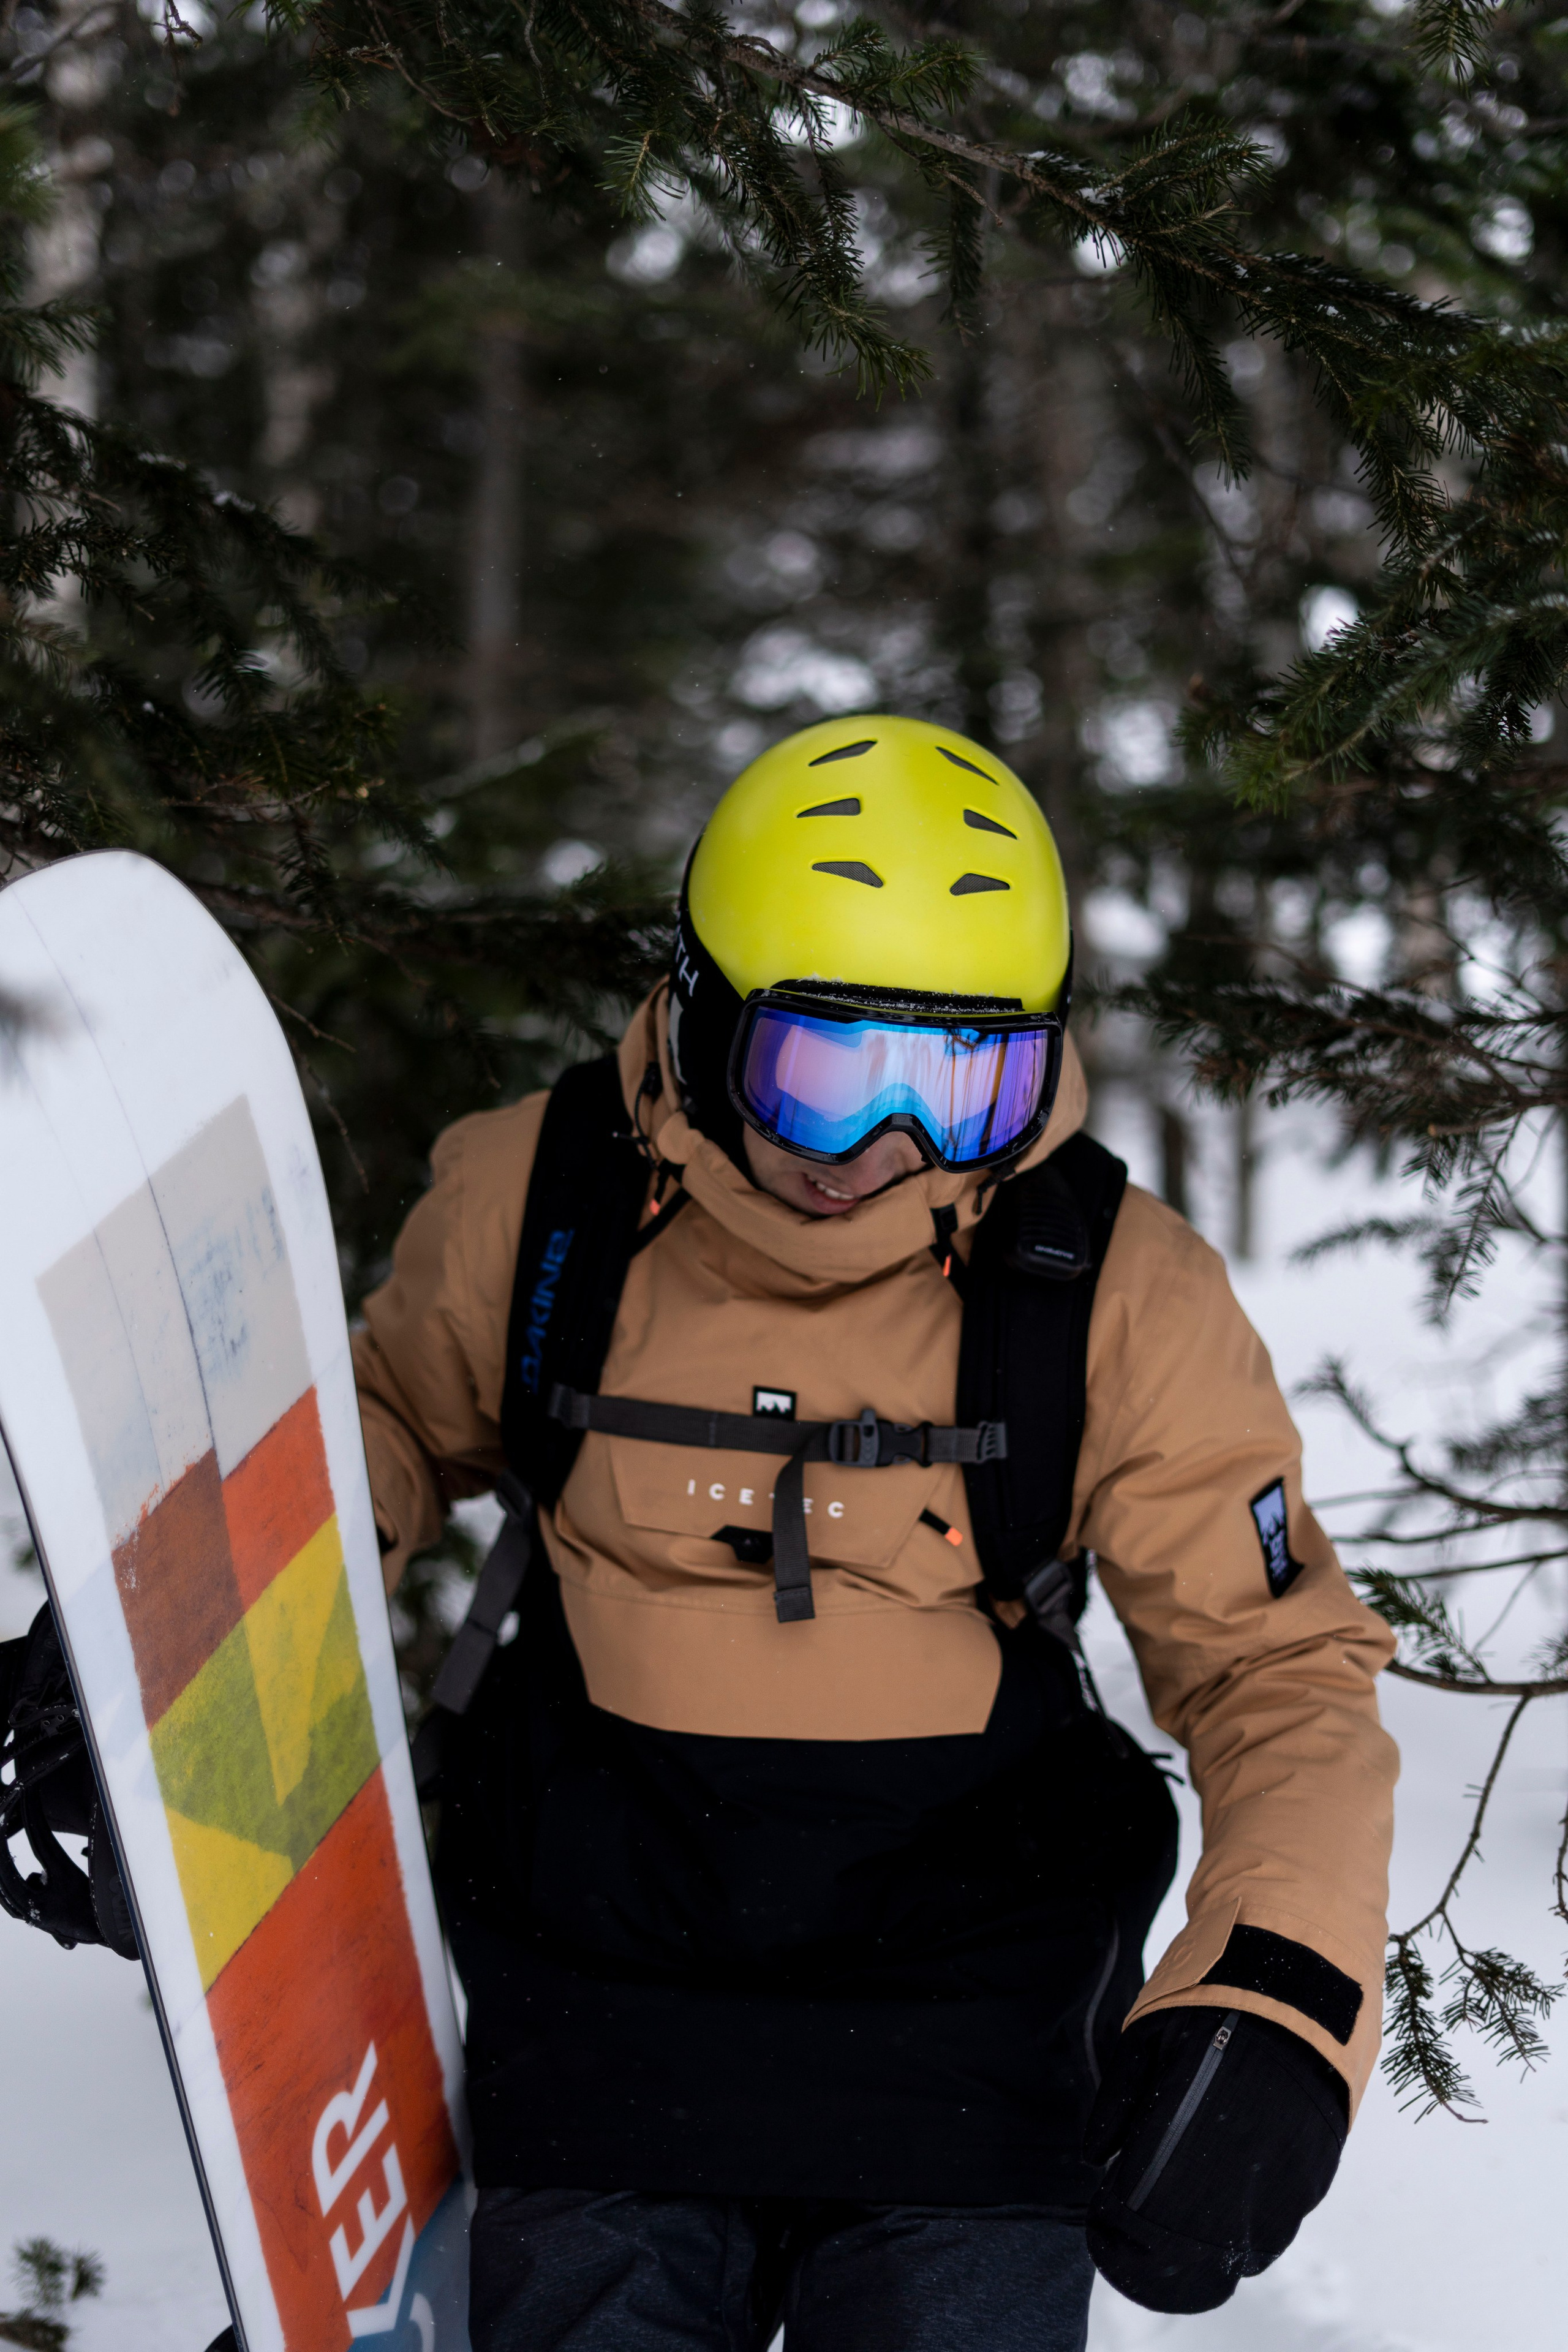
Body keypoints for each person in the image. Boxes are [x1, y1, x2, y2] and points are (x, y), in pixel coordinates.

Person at [354, 715, 1397, 2351]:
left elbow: (1283, 1674)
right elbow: (382, 1434)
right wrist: (161, 1649)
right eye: (827, 1072)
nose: (884, 1153)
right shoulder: (540, 1209)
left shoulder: (1116, 1288)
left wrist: (1279, 1995)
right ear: (703, 1016)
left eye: (962, 1082)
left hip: (971, 2027)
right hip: (604, 2004)